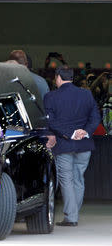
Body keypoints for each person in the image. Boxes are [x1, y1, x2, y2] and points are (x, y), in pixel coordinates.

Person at [44, 66, 101, 227]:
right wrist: (85, 131)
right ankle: (73, 213)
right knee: (78, 179)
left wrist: (70, 133)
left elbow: (51, 122)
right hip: (84, 143)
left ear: (58, 78)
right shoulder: (86, 94)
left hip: (64, 144)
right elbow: (96, 116)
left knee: (66, 180)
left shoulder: (50, 96)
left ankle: (71, 217)